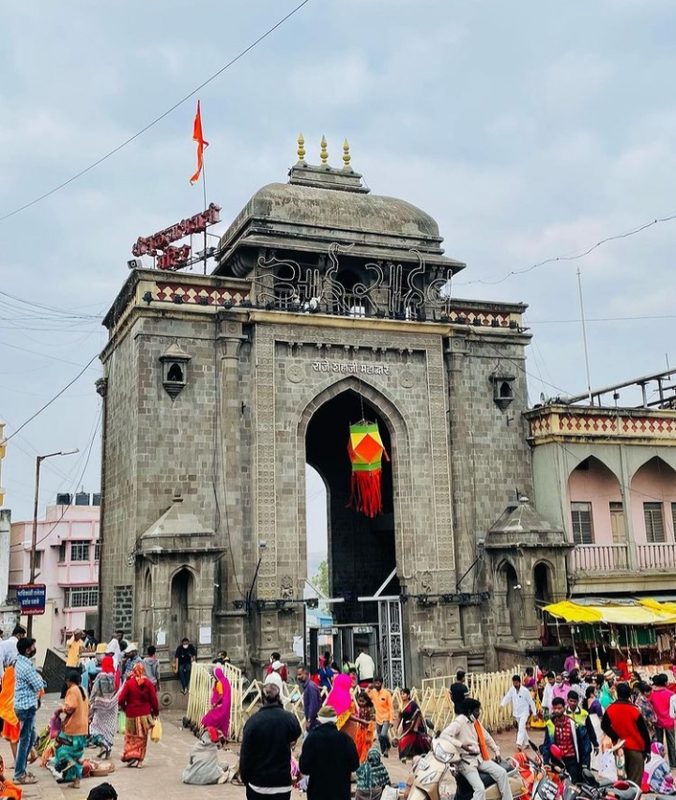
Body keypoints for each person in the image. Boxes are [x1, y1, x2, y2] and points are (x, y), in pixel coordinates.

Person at [441, 697, 512, 800]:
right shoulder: (459, 722)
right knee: (480, 789)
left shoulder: (475, 722)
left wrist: (496, 751)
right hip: (466, 762)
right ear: (469, 711)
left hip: (479, 759)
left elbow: (486, 737)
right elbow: (444, 735)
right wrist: (461, 745)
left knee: (502, 773)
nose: (479, 713)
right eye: (477, 711)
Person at [239, 684, 302, 800]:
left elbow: (245, 755)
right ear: (279, 698)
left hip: (258, 785)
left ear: (262, 699)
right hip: (282, 784)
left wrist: (245, 778)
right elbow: (296, 733)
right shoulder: (290, 719)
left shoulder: (253, 722)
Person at [299, 704, 360, 800]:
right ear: (335, 720)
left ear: (319, 720)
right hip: (340, 793)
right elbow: (355, 765)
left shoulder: (311, 739)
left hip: (317, 793)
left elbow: (304, 768)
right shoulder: (345, 739)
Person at [601, 681, 651, 785]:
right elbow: (644, 732)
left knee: (621, 783)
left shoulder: (610, 709)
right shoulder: (635, 710)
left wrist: (616, 737)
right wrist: (648, 750)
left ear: (617, 693)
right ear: (629, 695)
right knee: (634, 783)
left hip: (619, 749)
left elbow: (604, 725)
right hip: (636, 749)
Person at [14, 636, 45, 786]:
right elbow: (39, 684)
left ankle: (22, 769)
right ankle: (19, 773)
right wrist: (40, 680)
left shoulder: (20, 662)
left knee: (31, 737)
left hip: (23, 705)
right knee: (25, 740)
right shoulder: (26, 667)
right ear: (27, 650)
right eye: (32, 647)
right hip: (27, 707)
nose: (34, 649)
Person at [117, 662, 159, 767]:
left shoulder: (129, 683)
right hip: (145, 715)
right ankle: (140, 761)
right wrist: (155, 712)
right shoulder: (148, 683)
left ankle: (130, 755)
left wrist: (125, 708)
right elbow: (154, 700)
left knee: (131, 737)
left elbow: (121, 699)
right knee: (142, 738)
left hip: (131, 714)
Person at [54, 668, 89, 788]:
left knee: (59, 746)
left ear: (69, 681)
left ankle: (69, 762)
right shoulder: (83, 690)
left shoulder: (72, 690)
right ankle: (76, 781)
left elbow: (71, 707)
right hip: (83, 728)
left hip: (73, 727)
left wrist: (61, 709)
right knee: (78, 755)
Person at [0, 624, 26, 761]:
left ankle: (19, 761)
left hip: (10, 706)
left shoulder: (4, 644)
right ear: (20, 635)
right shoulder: (16, 646)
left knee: (13, 735)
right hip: (15, 706)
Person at [543, 697, 583, 782]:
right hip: (557, 762)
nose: (557, 711)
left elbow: (581, 744)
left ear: (564, 708)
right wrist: (546, 762)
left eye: (559, 708)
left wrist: (583, 763)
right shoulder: (550, 725)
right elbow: (546, 744)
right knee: (557, 785)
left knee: (572, 785)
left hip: (571, 760)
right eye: (555, 708)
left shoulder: (573, 724)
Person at [88, 653, 118, 758]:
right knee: (107, 728)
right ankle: (105, 748)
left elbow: (94, 691)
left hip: (100, 705)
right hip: (112, 706)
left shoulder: (100, 676)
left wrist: (90, 702)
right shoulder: (114, 676)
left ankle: (104, 745)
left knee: (94, 727)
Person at [500, 674, 536, 751]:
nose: (515, 685)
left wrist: (534, 713)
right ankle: (527, 742)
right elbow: (507, 697)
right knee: (522, 728)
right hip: (516, 713)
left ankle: (519, 744)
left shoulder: (525, 691)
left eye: (516, 683)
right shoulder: (512, 690)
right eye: (514, 683)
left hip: (524, 712)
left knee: (521, 727)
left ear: (519, 682)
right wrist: (502, 705)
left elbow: (531, 702)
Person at [565, 690, 598, 768]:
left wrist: (595, 744)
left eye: (575, 701)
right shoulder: (564, 714)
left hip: (584, 747)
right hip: (570, 748)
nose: (573, 703)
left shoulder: (584, 714)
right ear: (567, 700)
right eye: (571, 701)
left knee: (585, 770)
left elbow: (590, 729)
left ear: (578, 701)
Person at [397, 687, 431, 760]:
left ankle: (419, 754)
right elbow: (399, 717)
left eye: (404, 694)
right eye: (401, 694)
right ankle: (406, 756)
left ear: (408, 695)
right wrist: (397, 726)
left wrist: (416, 726)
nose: (402, 695)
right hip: (406, 726)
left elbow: (418, 715)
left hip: (414, 725)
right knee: (403, 740)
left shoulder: (413, 704)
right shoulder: (401, 705)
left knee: (414, 740)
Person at [651, 673, 676, 767]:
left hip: (657, 722)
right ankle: (673, 763)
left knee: (658, 743)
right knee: (671, 743)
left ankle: (659, 762)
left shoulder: (652, 694)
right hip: (669, 721)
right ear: (665, 683)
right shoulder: (671, 694)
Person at [201, 666, 232, 741]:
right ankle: (221, 734)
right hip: (226, 705)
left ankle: (213, 736)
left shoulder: (219, 683)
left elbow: (221, 695)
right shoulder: (226, 681)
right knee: (224, 720)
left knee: (209, 717)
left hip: (221, 706)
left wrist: (215, 703)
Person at [368, 675, 395, 757]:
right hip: (377, 717)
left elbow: (391, 707)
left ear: (382, 683)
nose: (377, 684)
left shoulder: (386, 693)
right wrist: (368, 688)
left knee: (383, 735)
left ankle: (385, 750)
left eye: (378, 683)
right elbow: (366, 697)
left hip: (386, 717)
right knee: (380, 736)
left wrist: (392, 720)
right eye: (375, 683)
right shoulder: (373, 692)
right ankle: (387, 744)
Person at [297, 665, 322, 731]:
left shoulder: (310, 687)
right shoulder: (307, 686)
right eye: (297, 675)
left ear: (306, 674)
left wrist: (309, 720)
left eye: (300, 674)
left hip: (314, 721)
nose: (298, 677)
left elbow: (313, 705)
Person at [354, 690, 376, 763]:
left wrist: (369, 729)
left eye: (362, 701)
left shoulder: (370, 708)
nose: (360, 703)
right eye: (359, 701)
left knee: (366, 747)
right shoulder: (360, 708)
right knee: (358, 746)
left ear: (367, 701)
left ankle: (363, 761)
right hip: (360, 729)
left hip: (368, 730)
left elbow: (372, 720)